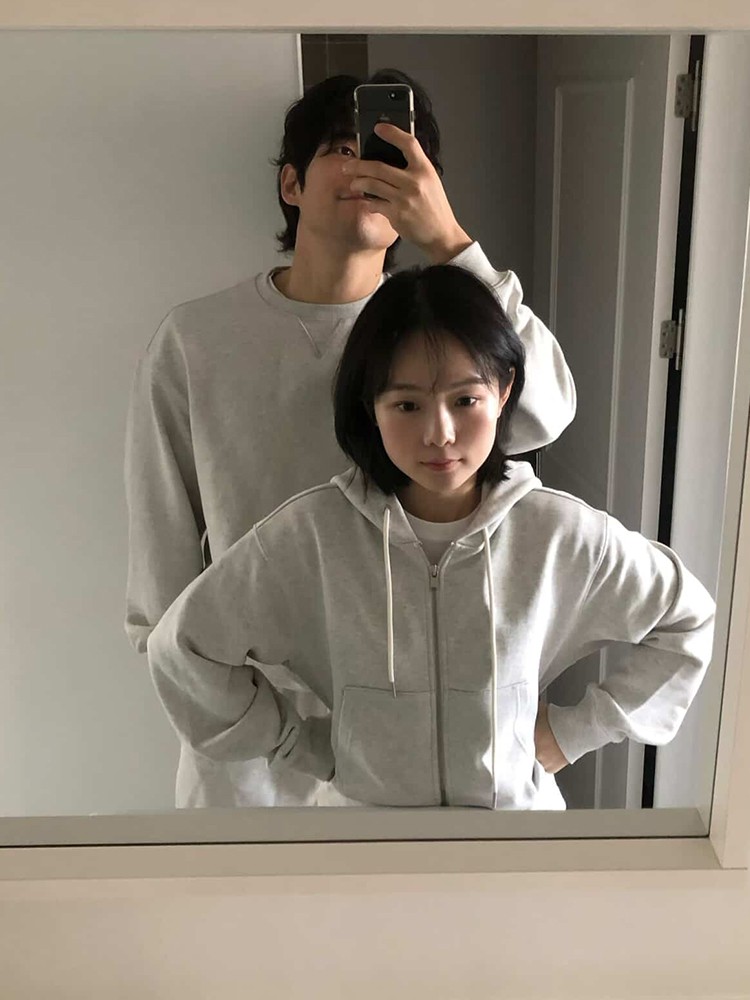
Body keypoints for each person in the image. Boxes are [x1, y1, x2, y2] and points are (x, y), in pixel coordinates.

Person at [125, 69, 576, 809]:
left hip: (422, 720)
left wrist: (451, 242)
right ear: (292, 184)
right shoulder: (197, 340)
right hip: (250, 735)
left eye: (396, 155)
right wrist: (211, 693)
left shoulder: (436, 330)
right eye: (344, 148)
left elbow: (544, 412)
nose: (370, 170)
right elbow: (161, 566)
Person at [146, 264, 715, 810]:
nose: (439, 433)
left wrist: (573, 733)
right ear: (371, 407)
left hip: (515, 844)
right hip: (360, 842)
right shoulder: (310, 535)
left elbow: (687, 622)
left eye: (465, 400)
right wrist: (304, 746)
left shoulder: (557, 533)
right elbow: (183, 648)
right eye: (407, 404)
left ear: (504, 390)